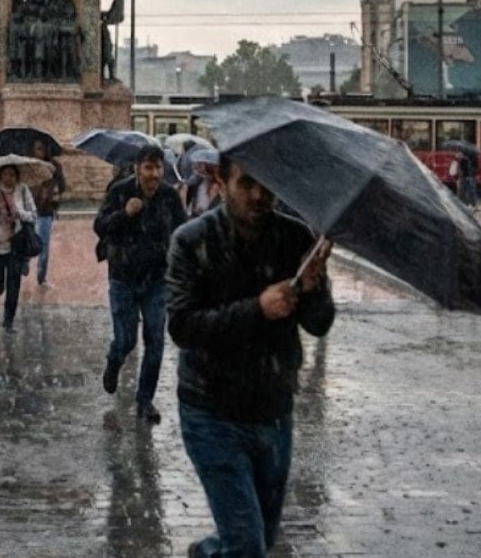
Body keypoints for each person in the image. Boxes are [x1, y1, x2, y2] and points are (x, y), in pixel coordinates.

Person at [166, 152, 335, 557]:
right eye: (247, 184)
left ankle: (208, 553)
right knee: (247, 545)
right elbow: (184, 326)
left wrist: (312, 288)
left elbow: (319, 324)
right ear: (221, 183)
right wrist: (256, 309)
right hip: (211, 409)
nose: (259, 195)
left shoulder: (295, 239)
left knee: (258, 535)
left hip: (274, 410)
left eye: (268, 186)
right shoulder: (191, 242)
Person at [94, 144, 186, 423]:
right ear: (137, 168)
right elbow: (99, 226)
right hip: (123, 277)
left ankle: (145, 399)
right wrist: (125, 214)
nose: (154, 174)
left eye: (159, 168)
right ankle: (114, 359)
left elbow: (182, 231)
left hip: (157, 280)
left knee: (155, 340)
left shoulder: (170, 196)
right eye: (149, 167)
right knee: (126, 340)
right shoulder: (120, 191)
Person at [0, 164, 37, 330]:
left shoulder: (23, 191)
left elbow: (33, 215)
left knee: (13, 286)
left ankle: (8, 322)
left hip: (15, 246)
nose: (8, 178)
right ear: (0, 175)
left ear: (16, 177)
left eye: (12, 174)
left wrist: (20, 213)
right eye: (5, 174)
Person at [28, 139, 66, 287]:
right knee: (26, 239)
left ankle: (41, 276)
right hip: (28, 209)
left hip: (45, 210)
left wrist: (52, 188)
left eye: (42, 149)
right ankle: (24, 263)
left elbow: (62, 186)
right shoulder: (28, 165)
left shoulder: (54, 167)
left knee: (43, 245)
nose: (39, 152)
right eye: (36, 149)